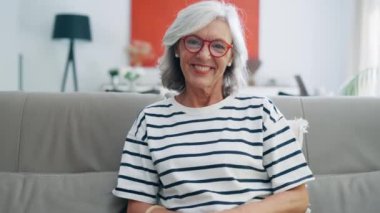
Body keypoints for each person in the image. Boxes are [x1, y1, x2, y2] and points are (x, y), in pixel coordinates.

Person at [113, 1, 314, 212]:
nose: (204, 54)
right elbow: (138, 208)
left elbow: (298, 198)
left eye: (218, 46)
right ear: (177, 49)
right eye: (193, 42)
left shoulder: (261, 112)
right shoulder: (150, 121)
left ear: (230, 58)